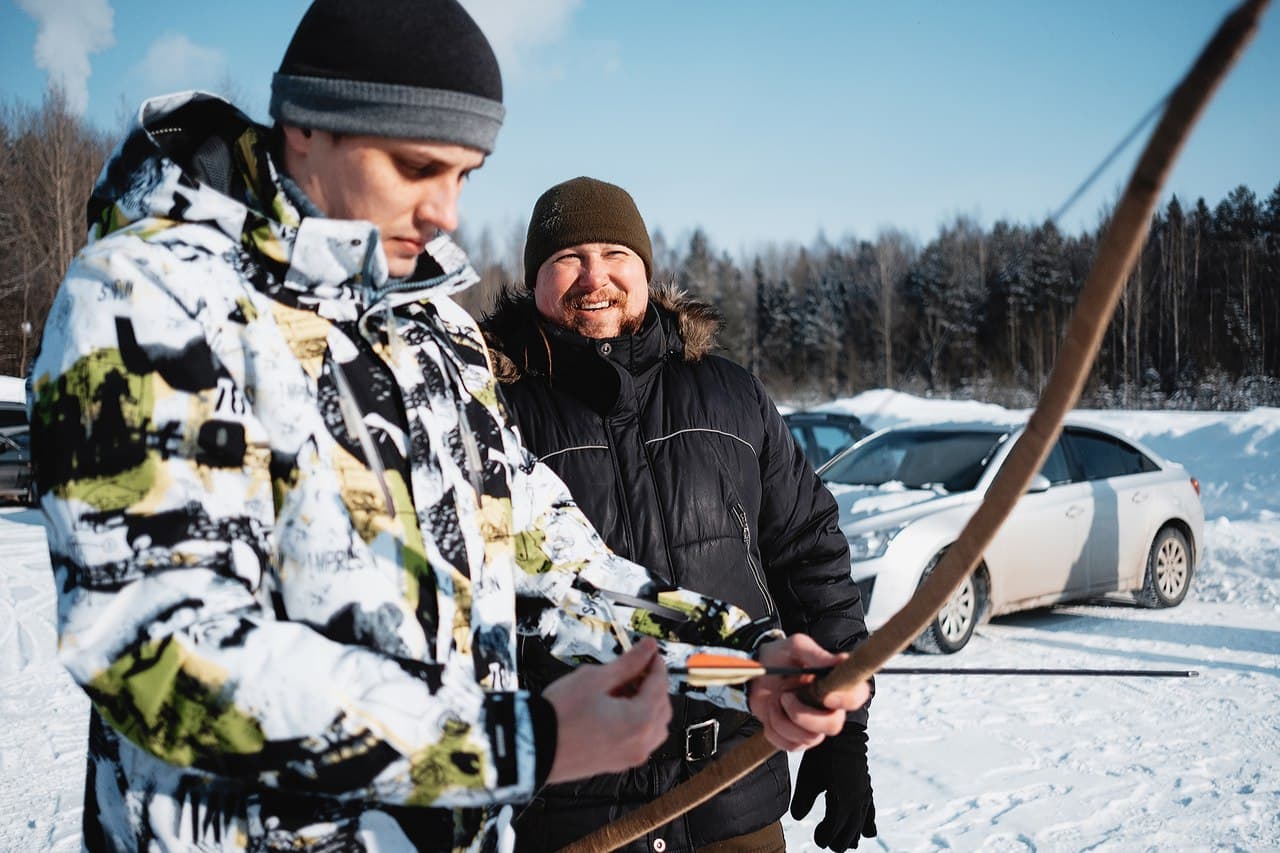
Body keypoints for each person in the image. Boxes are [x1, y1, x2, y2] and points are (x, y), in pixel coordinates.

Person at [27, 3, 869, 851]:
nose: (446, 213)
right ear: (309, 127)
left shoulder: (432, 330)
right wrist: (518, 745)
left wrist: (744, 659)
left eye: (464, 174)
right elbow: (159, 646)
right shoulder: (148, 304)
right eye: (417, 166)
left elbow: (551, 561)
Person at [483, 176, 878, 852]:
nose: (594, 277)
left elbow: (809, 552)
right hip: (576, 815)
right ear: (535, 279)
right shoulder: (491, 410)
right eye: (568, 258)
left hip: (735, 793)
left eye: (615, 254)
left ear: (645, 269)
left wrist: (846, 730)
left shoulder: (728, 395)